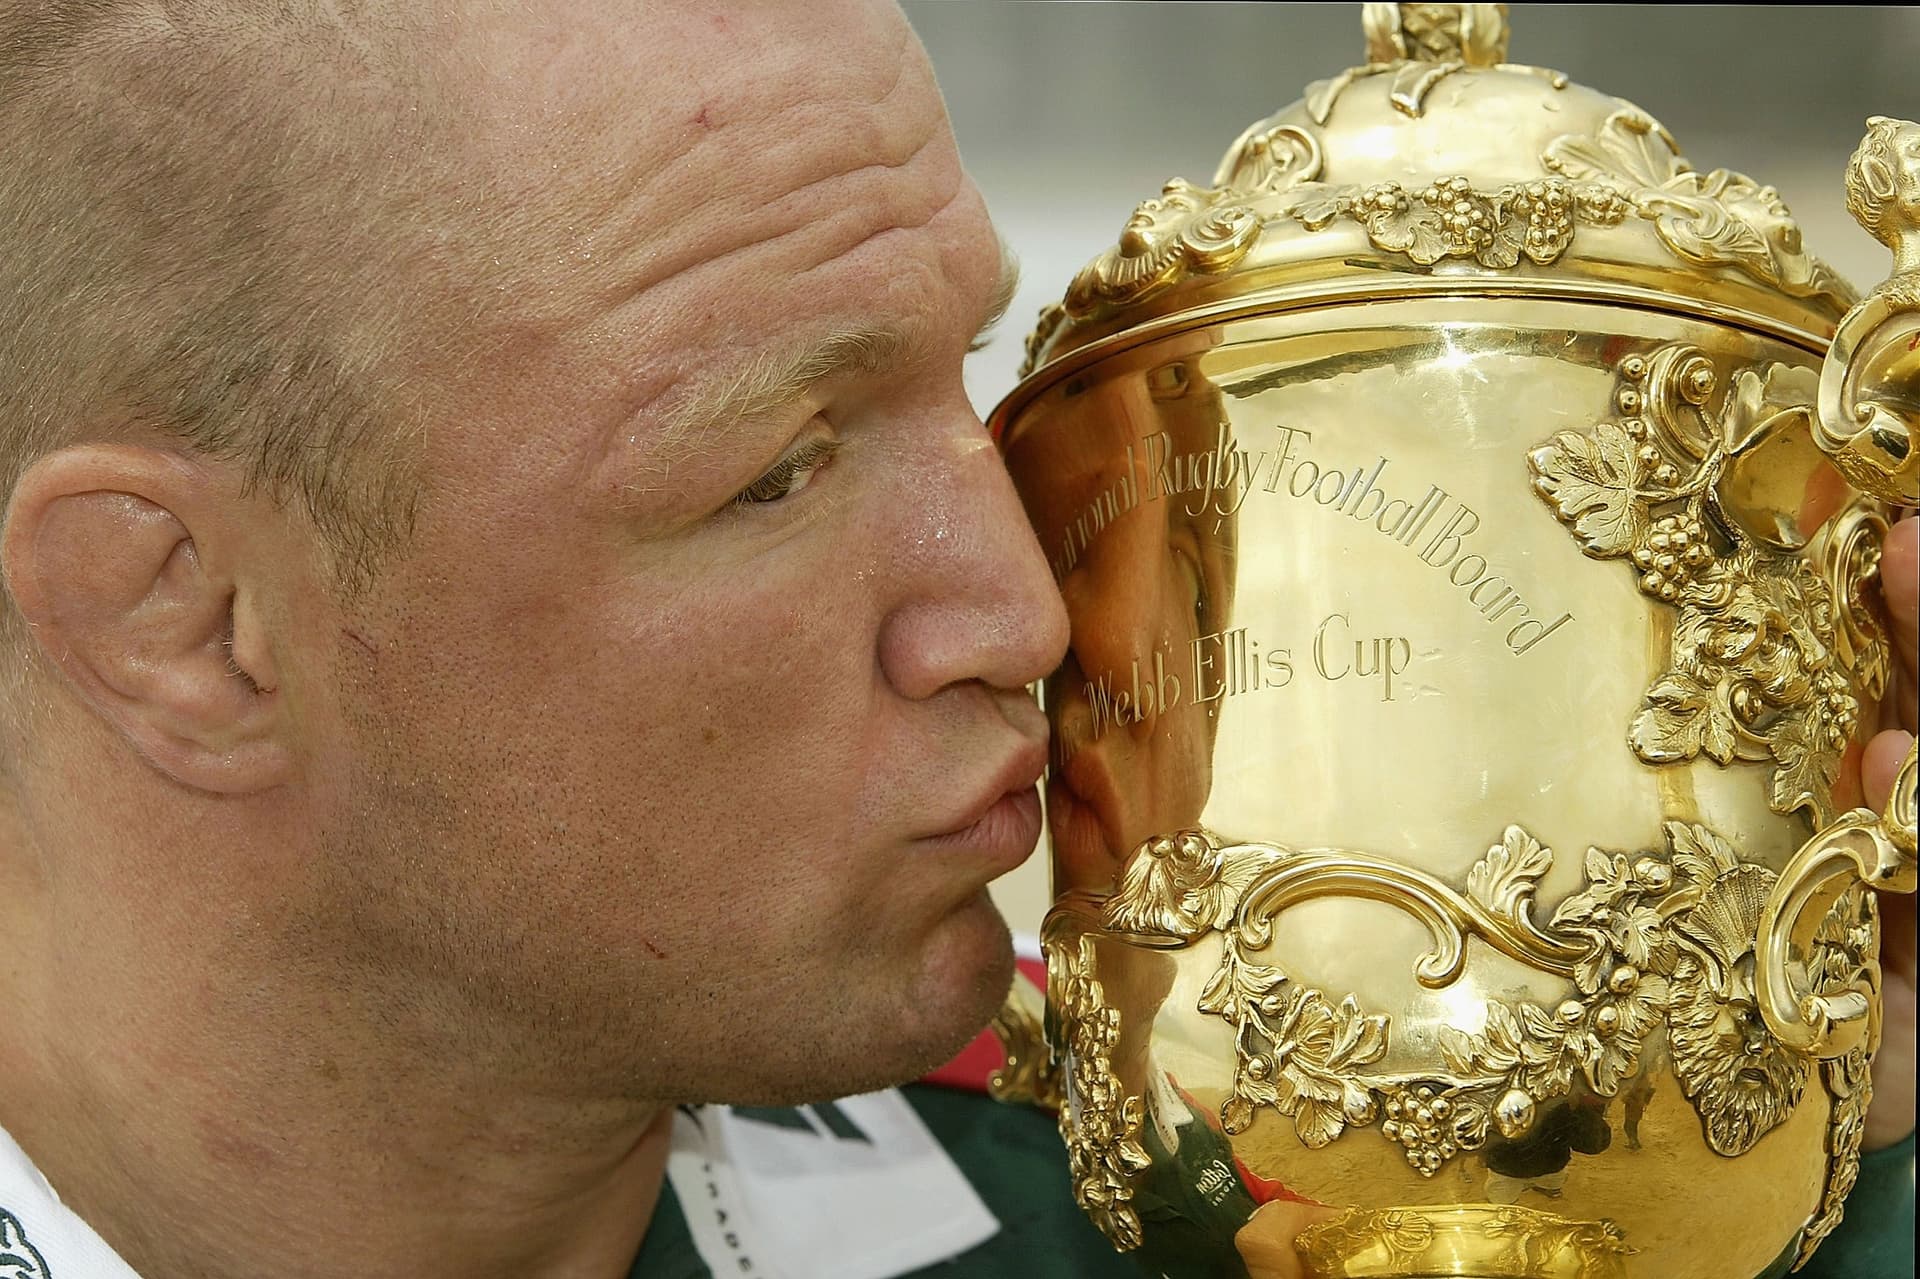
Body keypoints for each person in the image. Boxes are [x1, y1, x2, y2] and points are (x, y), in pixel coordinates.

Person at [0, 3, 1908, 1277]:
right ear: (183, 618)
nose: (1019, 608)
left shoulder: (1231, 1213)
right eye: (776, 468)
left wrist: (1831, 1148)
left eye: (970, 378)